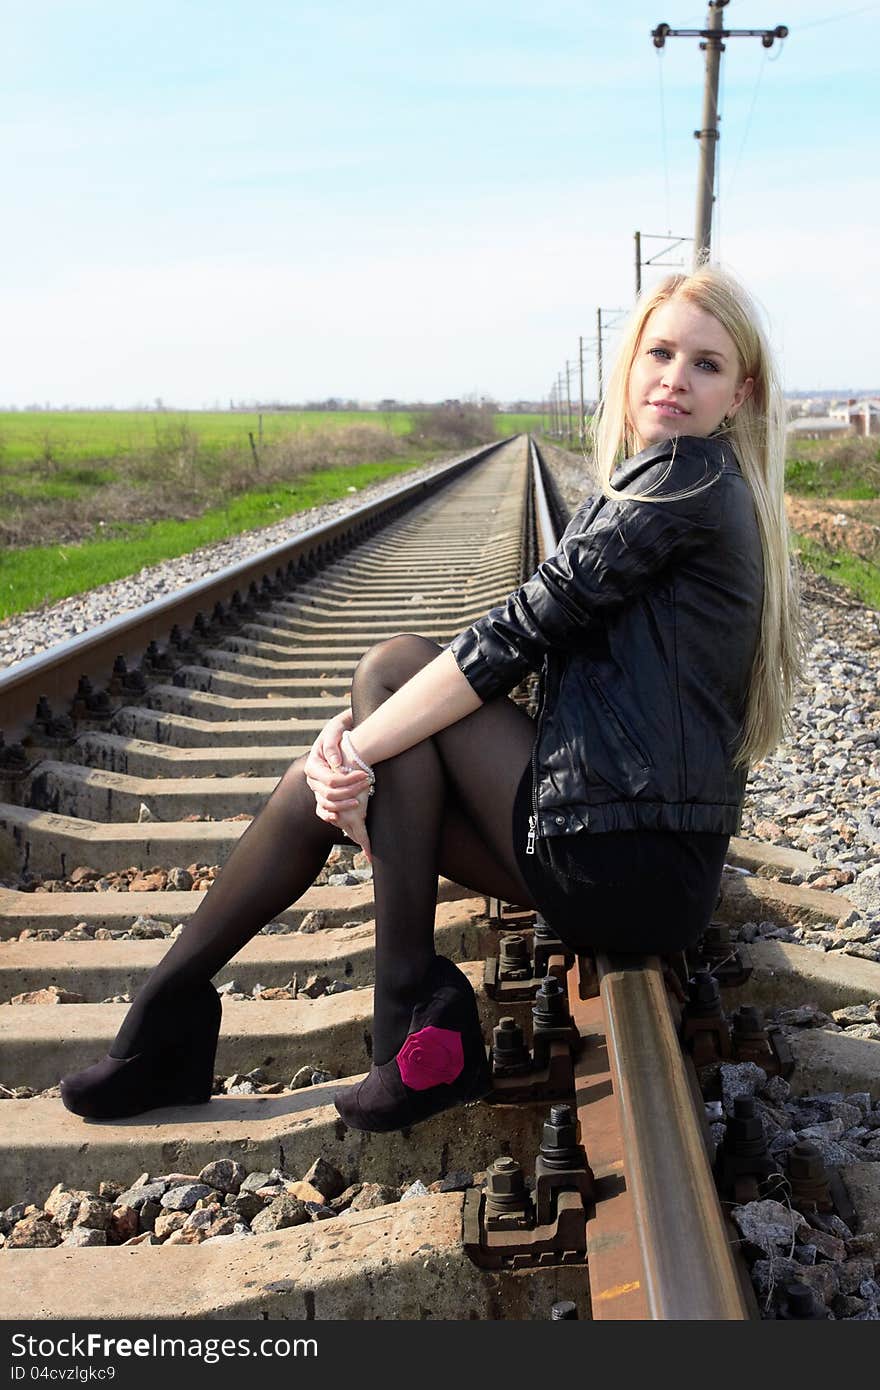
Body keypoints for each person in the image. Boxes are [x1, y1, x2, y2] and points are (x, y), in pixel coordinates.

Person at [60, 264, 801, 1135]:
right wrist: (364, 740)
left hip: (625, 863)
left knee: (389, 674)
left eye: (706, 365)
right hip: (641, 859)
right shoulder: (690, 484)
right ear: (629, 365)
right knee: (381, 716)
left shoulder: (682, 478)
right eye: (661, 352)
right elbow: (554, 654)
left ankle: (359, 1012)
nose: (675, 378)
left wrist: (366, 740)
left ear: (742, 394)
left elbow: (518, 632)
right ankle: (197, 1017)